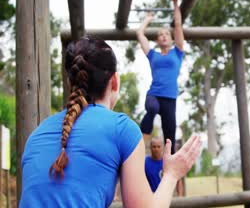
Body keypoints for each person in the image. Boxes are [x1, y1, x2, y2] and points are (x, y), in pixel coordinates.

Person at [20, 37, 201, 208]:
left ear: (70, 82)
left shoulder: (36, 134)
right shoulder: (122, 129)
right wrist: (171, 174)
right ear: (114, 81)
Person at [136, 0, 184, 154]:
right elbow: (140, 34)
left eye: (166, 34)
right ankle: (140, 145)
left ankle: (172, 174)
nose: (163, 36)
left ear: (171, 39)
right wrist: (148, 19)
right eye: (160, 35)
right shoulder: (153, 55)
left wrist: (175, 3)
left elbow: (178, 24)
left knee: (170, 136)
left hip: (170, 98)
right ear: (157, 41)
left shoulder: (177, 52)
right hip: (154, 95)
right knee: (152, 108)